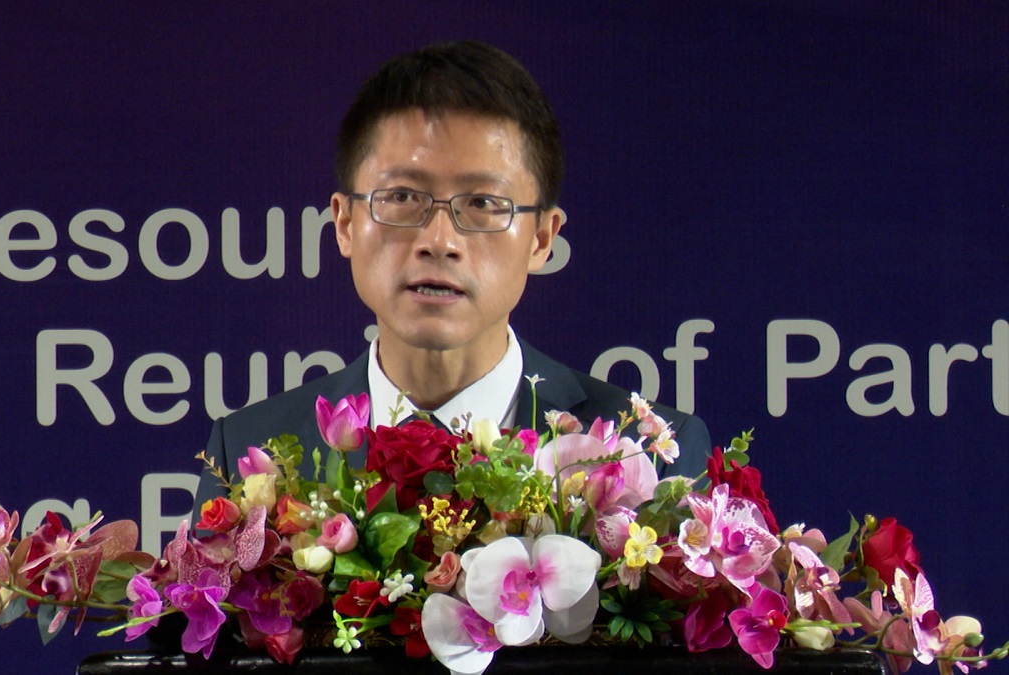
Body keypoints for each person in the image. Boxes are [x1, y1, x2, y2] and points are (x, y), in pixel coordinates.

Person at [194, 40, 709, 506]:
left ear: (541, 239)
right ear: (345, 223)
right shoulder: (249, 453)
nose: (439, 241)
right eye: (401, 196)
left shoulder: (647, 455)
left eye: (483, 203)